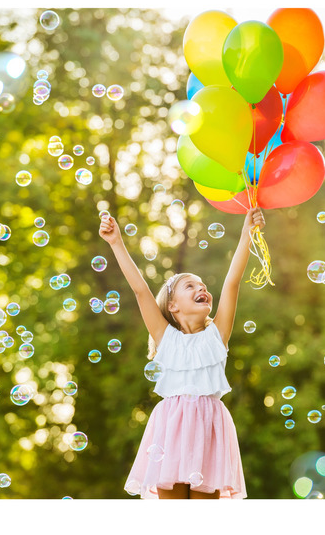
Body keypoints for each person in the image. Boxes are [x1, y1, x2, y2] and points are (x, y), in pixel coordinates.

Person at [98, 206, 266, 499]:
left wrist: (246, 235)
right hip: (170, 427)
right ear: (173, 306)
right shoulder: (166, 338)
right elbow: (140, 290)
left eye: (203, 286)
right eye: (190, 286)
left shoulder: (217, 336)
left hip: (210, 426)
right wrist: (116, 243)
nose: (202, 288)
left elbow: (232, 283)